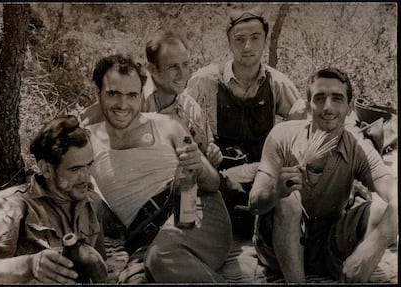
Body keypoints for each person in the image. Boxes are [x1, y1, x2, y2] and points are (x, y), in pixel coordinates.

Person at [85, 54, 232, 283]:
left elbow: (212, 183)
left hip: (193, 209)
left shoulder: (166, 124)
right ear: (99, 94)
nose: (123, 105)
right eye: (114, 94)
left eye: (132, 95)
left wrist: (199, 167)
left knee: (162, 258)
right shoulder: (87, 139)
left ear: (141, 96)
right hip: (144, 237)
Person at [249, 68, 397, 283]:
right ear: (308, 106)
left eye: (337, 98)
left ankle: (353, 276)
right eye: (319, 98)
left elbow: (395, 195)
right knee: (289, 199)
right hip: (276, 249)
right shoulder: (282, 136)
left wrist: (374, 245)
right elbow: (254, 204)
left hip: (328, 245)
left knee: (383, 208)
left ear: (348, 108)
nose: (328, 107)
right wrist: (275, 191)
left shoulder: (357, 147)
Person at [185, 6, 307, 234]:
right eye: (239, 39)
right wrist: (203, 150)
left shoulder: (276, 83)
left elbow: (302, 126)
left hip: (262, 175)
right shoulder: (204, 81)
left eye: (255, 38)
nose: (247, 47)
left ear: (265, 40)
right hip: (219, 176)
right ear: (229, 42)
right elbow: (181, 126)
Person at [80, 29, 222, 168]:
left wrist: (212, 155)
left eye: (185, 65)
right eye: (173, 67)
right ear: (152, 69)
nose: (182, 74)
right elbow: (85, 126)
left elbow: (205, 154)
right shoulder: (131, 98)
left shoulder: (190, 108)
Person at [0, 115, 106, 283]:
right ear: (46, 170)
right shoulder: (12, 205)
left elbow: (99, 265)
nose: (86, 178)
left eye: (88, 166)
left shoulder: (93, 203)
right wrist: (30, 266)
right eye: (75, 169)